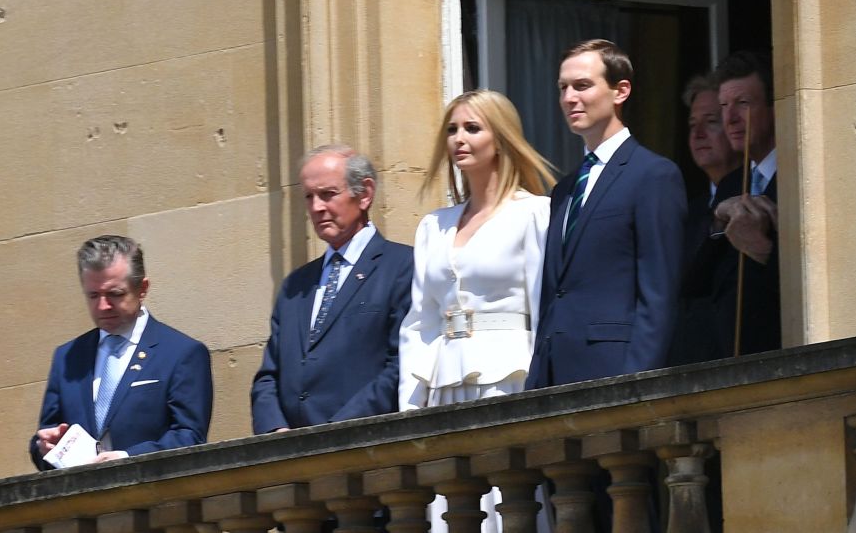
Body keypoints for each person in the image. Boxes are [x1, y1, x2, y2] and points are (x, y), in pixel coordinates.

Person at [399, 89, 555, 532]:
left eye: (472, 128)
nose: (458, 139)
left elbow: (543, 307)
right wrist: (411, 403)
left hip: (508, 380)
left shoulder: (534, 214)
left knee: (508, 510)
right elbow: (419, 323)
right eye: (452, 130)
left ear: (501, 140)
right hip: (444, 386)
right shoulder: (434, 226)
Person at [526, 38, 687, 389]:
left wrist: (635, 385)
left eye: (582, 85)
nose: (569, 98)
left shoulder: (653, 175)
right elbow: (555, 294)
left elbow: (658, 295)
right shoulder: (564, 190)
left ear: (620, 91)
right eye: (563, 88)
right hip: (554, 381)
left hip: (614, 374)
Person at [251, 145, 412, 433]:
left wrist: (337, 430)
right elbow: (268, 376)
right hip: (292, 456)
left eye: (327, 194)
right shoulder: (296, 285)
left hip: (365, 446)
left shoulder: (402, 267)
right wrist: (275, 430)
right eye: (309, 197)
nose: (316, 208)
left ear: (364, 194)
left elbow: (403, 364)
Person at [30, 235, 213, 470]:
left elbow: (190, 437)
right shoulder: (67, 357)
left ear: (142, 288)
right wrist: (44, 446)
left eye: (115, 294)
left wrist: (129, 457)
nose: (103, 306)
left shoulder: (181, 353)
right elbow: (46, 436)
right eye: (93, 296)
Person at [703, 50, 781, 355]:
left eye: (743, 104)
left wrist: (760, 248)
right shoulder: (731, 184)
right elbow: (695, 280)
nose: (730, 118)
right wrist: (718, 216)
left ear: (775, 108)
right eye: (724, 106)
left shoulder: (801, 180)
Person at [668, 74, 741, 365]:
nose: (697, 134)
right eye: (691, 125)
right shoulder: (687, 212)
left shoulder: (759, 197)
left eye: (710, 122)